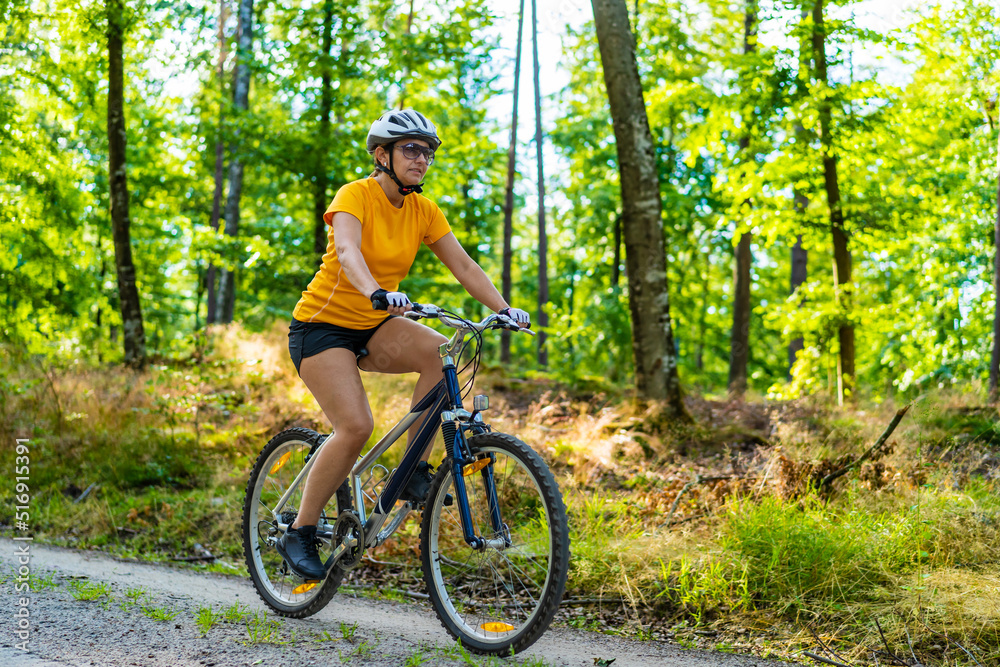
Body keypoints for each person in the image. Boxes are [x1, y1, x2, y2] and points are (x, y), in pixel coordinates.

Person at [277, 108, 530, 581]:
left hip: (375, 326)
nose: (422, 159)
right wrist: (376, 290)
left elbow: (465, 267)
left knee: (444, 355)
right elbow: (348, 250)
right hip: (322, 327)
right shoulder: (356, 195)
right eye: (411, 149)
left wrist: (502, 308)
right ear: (382, 154)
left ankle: (412, 468)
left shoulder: (423, 210)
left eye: (428, 152)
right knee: (354, 427)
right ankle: (301, 530)